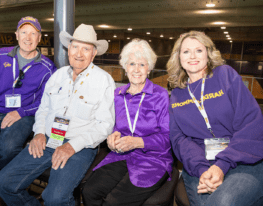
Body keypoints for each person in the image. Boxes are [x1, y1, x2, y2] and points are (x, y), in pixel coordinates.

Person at [0, 24, 115, 206]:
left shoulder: (104, 80)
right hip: (49, 138)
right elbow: (43, 110)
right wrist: (40, 132)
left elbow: (105, 125)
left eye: (86, 48)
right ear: (69, 49)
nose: (79, 53)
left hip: (79, 145)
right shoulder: (57, 76)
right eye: (75, 47)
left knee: (54, 197)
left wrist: (71, 146)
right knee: (3, 183)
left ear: (94, 53)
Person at [167, 31, 263, 206]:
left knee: (223, 202)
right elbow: (179, 139)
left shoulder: (225, 75)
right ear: (178, 57)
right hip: (200, 166)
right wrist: (203, 168)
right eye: (186, 51)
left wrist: (222, 164)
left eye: (199, 50)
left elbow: (251, 123)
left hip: (242, 159)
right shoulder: (177, 94)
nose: (192, 56)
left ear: (208, 53)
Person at [0, 16, 56, 190]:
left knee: (8, 148)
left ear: (39, 37)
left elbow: (48, 102)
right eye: (23, 32)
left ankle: (6, 184)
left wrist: (21, 112)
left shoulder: (47, 67)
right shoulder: (0, 56)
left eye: (33, 33)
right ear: (16, 34)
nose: (28, 38)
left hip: (25, 115)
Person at [82, 39, 173, 206]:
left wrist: (138, 142)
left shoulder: (160, 95)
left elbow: (168, 137)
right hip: (121, 155)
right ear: (125, 67)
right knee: (89, 192)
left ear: (149, 68)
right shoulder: (117, 95)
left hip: (153, 159)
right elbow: (115, 125)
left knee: (114, 203)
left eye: (142, 64)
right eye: (132, 64)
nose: (136, 70)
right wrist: (113, 136)